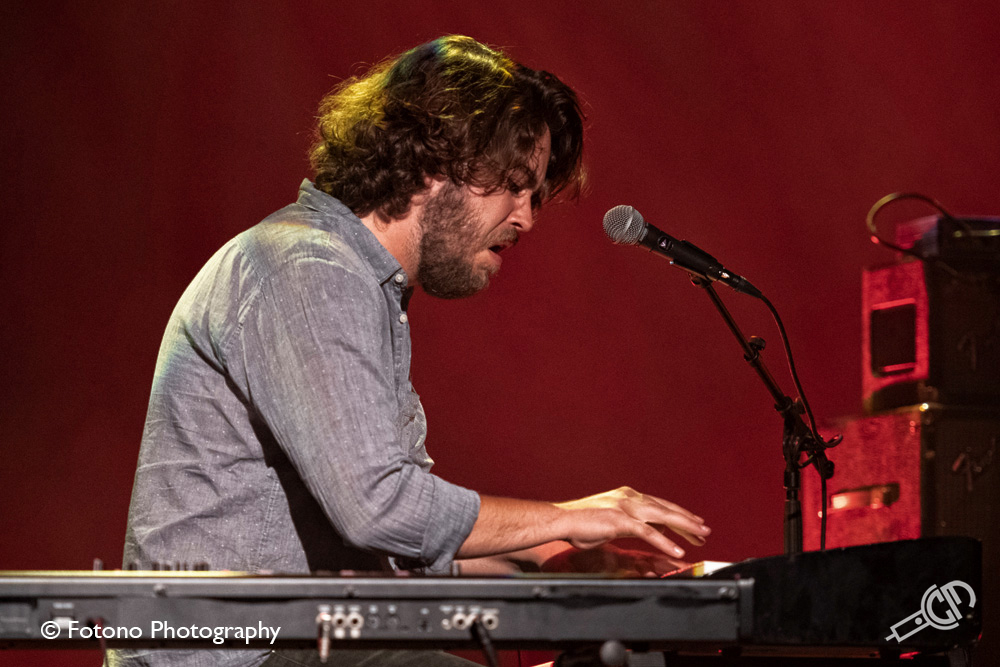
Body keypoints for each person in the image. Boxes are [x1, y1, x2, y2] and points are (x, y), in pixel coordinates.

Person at [114, 35, 710, 667]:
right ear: (433, 162)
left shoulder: (360, 285)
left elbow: (403, 544)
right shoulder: (307, 268)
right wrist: (562, 519)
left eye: (534, 195)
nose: (526, 218)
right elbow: (379, 509)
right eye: (514, 186)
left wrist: (557, 561)